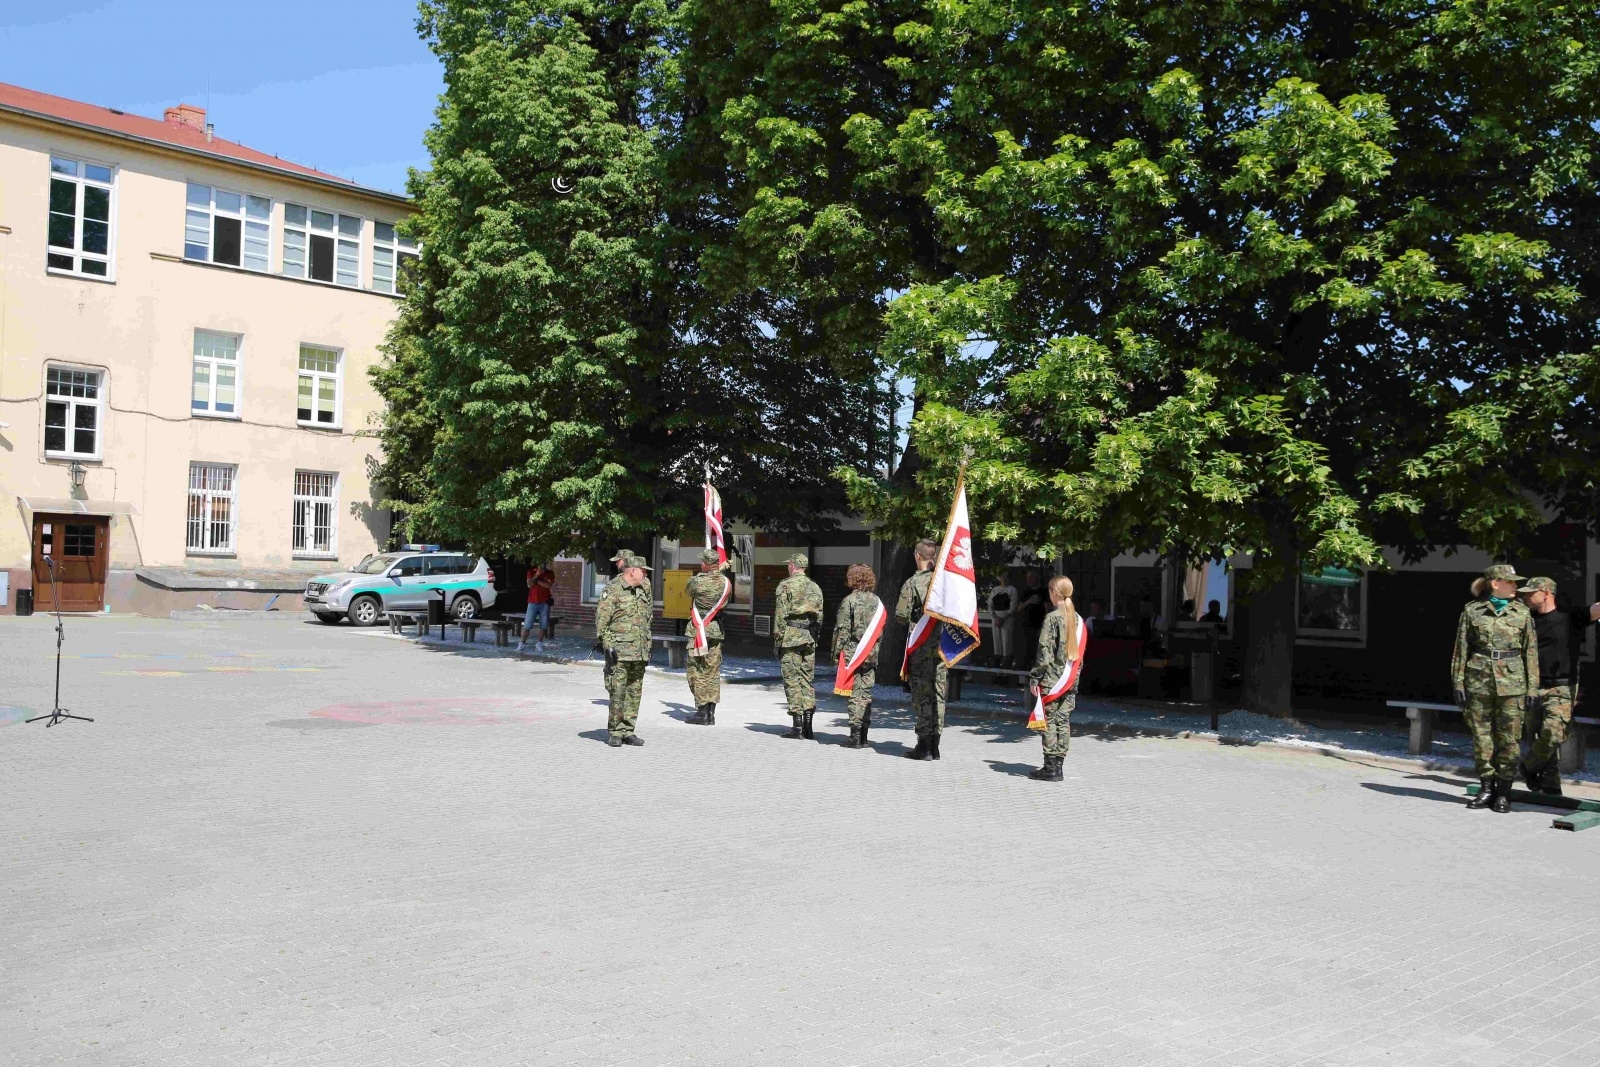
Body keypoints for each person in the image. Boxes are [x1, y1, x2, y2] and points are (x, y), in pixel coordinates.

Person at [1451, 564, 1539, 812]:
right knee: (1482, 738)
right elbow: (1461, 650)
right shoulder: (1472, 611)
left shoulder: (1522, 613)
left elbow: (1531, 653)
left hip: (1513, 684)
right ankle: (1486, 788)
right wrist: (1458, 682)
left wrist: (1532, 687)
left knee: (1509, 740)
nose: (1515, 585)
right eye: (1510, 581)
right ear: (1495, 583)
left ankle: (1503, 792)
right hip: (1478, 681)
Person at [1516, 576, 1600, 795]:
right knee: (1538, 736)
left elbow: (1597, 609)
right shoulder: (1526, 620)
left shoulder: (1570, 616)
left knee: (1554, 733)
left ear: (1546, 592)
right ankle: (1551, 787)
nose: (1526, 597)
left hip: (1562, 687)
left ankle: (1527, 766)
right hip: (1531, 687)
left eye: (1531, 592)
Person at [897, 538, 949, 760]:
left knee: (922, 695)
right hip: (944, 647)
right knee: (939, 694)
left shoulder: (912, 583)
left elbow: (901, 615)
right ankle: (935, 746)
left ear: (917, 556)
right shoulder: (945, 583)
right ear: (933, 557)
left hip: (921, 646)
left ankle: (924, 745)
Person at [1029, 575, 1084, 782]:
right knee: (1063, 721)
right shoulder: (1077, 618)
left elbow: (1045, 652)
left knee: (1049, 721)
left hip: (1052, 680)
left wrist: (1035, 678)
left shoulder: (1052, 618)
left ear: (1054, 592)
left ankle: (1050, 767)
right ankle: (1059, 766)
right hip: (1070, 679)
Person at [596, 555, 652, 748]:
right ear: (632, 571)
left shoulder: (645, 588)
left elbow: (648, 618)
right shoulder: (612, 589)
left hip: (639, 650)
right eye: (643, 571)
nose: (645, 574)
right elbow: (602, 621)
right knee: (617, 691)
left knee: (634, 692)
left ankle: (629, 730)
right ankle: (615, 731)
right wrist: (607, 646)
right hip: (619, 651)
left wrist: (647, 644)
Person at [833, 563, 885, 748]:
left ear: (852, 579)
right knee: (866, 694)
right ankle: (864, 736)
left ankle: (855, 737)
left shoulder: (849, 601)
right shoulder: (878, 602)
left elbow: (843, 630)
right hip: (871, 654)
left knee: (854, 695)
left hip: (853, 654)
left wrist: (836, 654)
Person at [773, 552, 824, 739]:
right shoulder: (815, 587)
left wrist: (777, 641)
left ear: (793, 566)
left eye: (789, 564)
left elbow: (780, 617)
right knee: (806, 680)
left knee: (792, 681)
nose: (788, 567)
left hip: (791, 638)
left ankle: (797, 727)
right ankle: (808, 727)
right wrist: (814, 636)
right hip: (809, 637)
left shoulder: (785, 585)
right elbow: (820, 616)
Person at [684, 548, 734, 725]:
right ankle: (711, 714)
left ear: (704, 564)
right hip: (716, 630)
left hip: (699, 630)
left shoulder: (696, 581)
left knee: (696, 671)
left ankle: (701, 712)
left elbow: (688, 593)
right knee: (712, 671)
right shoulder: (726, 582)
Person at [516, 563, 555, 652]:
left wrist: (537, 581)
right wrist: (536, 575)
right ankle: (522, 643)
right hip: (532, 602)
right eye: (541, 566)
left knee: (543, 625)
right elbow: (529, 585)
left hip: (544, 602)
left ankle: (539, 644)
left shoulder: (550, 573)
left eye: (544, 565)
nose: (543, 567)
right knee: (527, 625)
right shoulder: (531, 572)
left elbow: (548, 585)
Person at [1018, 571, 1048, 669]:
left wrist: (1045, 624)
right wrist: (1028, 602)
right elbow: (1018, 608)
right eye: (1027, 578)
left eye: (1031, 577)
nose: (1029, 580)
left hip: (1039, 624)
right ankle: (1026, 670)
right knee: (1027, 649)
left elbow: (1048, 609)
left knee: (1038, 649)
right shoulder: (1026, 591)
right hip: (1026, 624)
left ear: (1036, 578)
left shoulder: (1043, 591)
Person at [988, 573, 1018, 668]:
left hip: (1007, 618)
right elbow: (990, 604)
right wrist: (995, 617)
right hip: (996, 618)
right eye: (1002, 576)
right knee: (997, 640)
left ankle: (1006, 662)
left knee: (1006, 640)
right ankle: (997, 661)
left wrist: (1003, 618)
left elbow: (1013, 606)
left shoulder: (1012, 590)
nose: (1004, 579)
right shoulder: (995, 590)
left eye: (1006, 576)